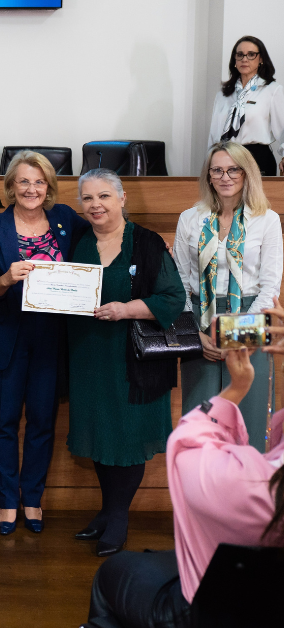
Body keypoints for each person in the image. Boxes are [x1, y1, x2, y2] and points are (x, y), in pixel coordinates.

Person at [87, 331, 284, 627]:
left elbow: (184, 441)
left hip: (202, 611)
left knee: (109, 574)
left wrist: (236, 389)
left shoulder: (244, 483)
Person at [65, 169, 186, 557]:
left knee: (129, 437)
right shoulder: (79, 244)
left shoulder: (148, 243)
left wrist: (126, 309)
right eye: (87, 198)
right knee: (100, 434)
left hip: (135, 359)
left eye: (103, 196)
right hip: (88, 357)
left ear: (122, 199)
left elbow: (173, 298)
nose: (95, 205)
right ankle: (107, 511)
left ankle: (118, 518)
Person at [0, 150, 88, 535]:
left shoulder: (66, 220)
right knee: (3, 424)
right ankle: (7, 502)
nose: (31, 189)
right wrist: (7, 278)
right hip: (7, 337)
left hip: (51, 339)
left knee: (42, 422)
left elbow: (101, 246)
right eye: (23, 181)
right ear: (10, 186)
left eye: (39, 181)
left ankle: (33, 499)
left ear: (49, 187)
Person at [175, 141, 282, 453]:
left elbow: (270, 287)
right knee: (200, 418)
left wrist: (235, 336)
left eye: (233, 169)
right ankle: (200, 498)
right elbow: (180, 281)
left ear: (246, 173)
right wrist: (195, 335)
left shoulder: (267, 219)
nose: (225, 176)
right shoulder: (190, 218)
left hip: (250, 316)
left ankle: (246, 498)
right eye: (217, 170)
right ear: (208, 176)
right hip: (199, 318)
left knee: (246, 416)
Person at [208, 36, 284, 176]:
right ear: (234, 60)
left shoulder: (272, 90)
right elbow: (214, 134)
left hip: (256, 159)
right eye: (240, 55)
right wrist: (210, 160)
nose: (244, 59)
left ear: (261, 59)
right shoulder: (223, 94)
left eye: (251, 55)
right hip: (225, 158)